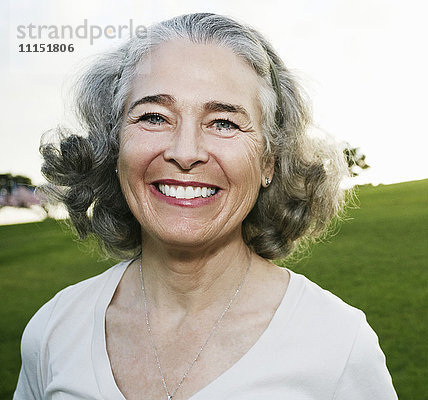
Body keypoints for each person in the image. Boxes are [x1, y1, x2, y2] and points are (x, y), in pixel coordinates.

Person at [14, 13, 398, 400]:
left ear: (269, 160)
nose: (185, 152)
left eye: (224, 123)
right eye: (154, 116)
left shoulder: (338, 344)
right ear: (114, 147)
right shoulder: (53, 331)